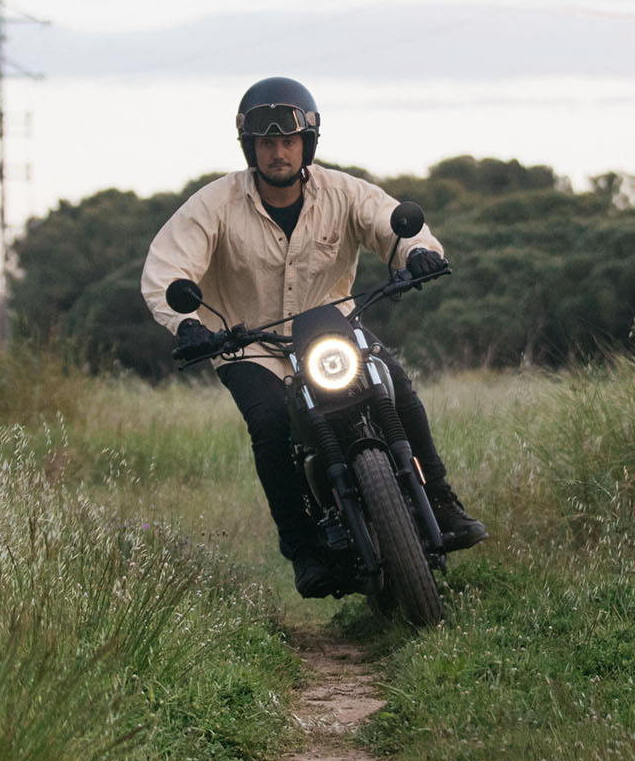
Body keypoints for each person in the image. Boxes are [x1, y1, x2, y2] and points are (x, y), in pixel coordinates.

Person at [140, 76, 488, 598]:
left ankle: (440, 500)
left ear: (308, 144)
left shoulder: (344, 191)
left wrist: (417, 252)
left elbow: (391, 223)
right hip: (248, 344)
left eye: (288, 141)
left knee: (396, 385)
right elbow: (169, 265)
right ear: (249, 147)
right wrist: (189, 324)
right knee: (270, 424)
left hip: (333, 330)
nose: (278, 152)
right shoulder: (213, 205)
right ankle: (303, 548)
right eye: (266, 142)